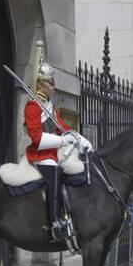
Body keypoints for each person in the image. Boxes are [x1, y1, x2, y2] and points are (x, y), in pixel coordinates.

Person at [24, 62, 92, 242]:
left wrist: (78, 137)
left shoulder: (49, 105)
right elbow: (37, 138)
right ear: (39, 84)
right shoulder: (32, 106)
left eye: (53, 83)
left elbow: (61, 126)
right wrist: (62, 140)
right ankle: (55, 224)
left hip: (53, 151)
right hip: (40, 154)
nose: (53, 87)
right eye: (49, 83)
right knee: (55, 172)